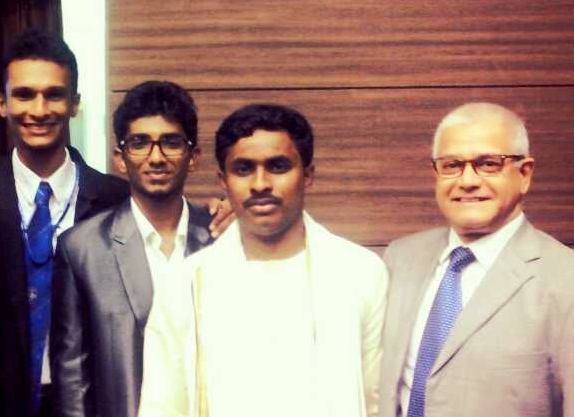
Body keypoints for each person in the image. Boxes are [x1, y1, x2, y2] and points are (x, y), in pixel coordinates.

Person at [139, 104, 388, 417]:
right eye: (243, 169)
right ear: (223, 181)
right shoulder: (186, 283)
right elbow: (162, 405)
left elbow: (377, 400)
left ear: (308, 175)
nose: (260, 184)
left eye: (278, 166)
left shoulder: (359, 273)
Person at [0, 30, 129, 417]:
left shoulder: (117, 200)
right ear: (2, 103)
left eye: (54, 94)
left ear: (74, 104)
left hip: (89, 402)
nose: (39, 109)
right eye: (24, 94)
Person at [379, 102, 574, 417]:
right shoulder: (400, 258)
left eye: (488, 164)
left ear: (524, 175)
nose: (467, 180)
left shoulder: (566, 279)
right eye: (452, 165)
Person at [50, 80, 215, 417]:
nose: (156, 158)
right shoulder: (81, 249)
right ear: (120, 159)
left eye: (171, 142)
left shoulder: (221, 237)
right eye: (139, 143)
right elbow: (73, 381)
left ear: (193, 157)